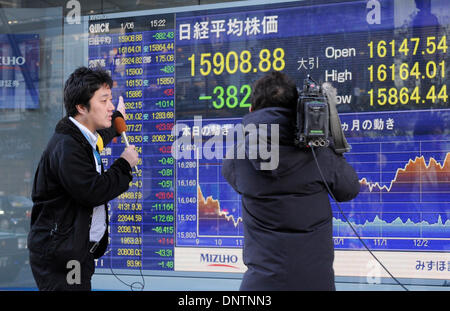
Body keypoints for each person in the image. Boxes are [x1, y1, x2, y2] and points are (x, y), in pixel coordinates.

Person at [222, 71, 360, 290]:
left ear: (251, 109)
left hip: (261, 285)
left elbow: (234, 175)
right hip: (316, 284)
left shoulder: (239, 157)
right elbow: (349, 189)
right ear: (297, 108)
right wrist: (329, 138)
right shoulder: (319, 154)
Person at [27, 67, 139, 290]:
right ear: (81, 107)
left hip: (74, 249)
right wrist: (125, 164)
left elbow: (98, 139)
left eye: (111, 100)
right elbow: (92, 191)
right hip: (62, 255)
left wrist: (117, 120)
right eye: (104, 100)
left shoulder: (80, 138)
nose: (110, 106)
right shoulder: (68, 147)